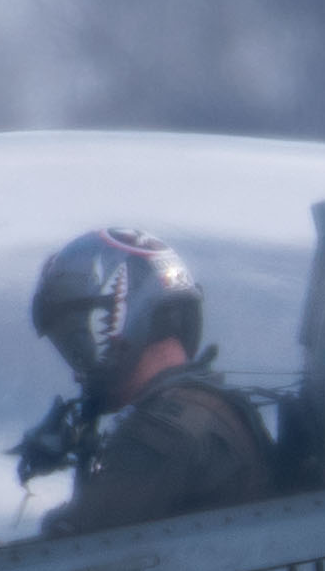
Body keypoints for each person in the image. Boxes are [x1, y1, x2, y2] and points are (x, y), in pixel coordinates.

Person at [15, 229, 285, 535]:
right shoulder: (207, 410)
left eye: (75, 343)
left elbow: (77, 555)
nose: (78, 372)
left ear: (124, 316)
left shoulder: (160, 435)